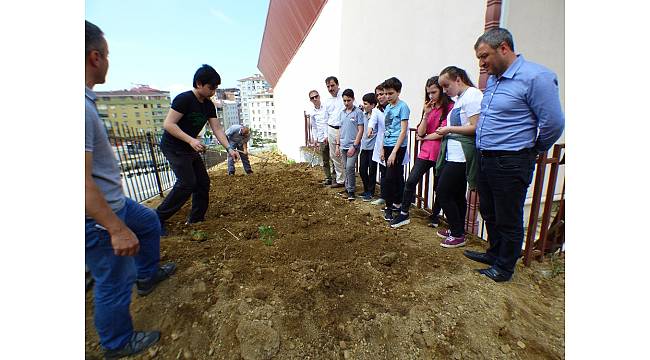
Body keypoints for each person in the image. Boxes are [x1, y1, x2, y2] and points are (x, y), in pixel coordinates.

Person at [85, 20, 176, 359]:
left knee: (150, 223)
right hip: (97, 216)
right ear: (96, 57)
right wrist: (114, 227)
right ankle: (117, 343)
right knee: (113, 282)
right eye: (107, 55)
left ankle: (148, 275)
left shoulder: (85, 102)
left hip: (114, 202)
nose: (109, 61)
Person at [466, 28, 565, 282]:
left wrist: (532, 149)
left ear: (504, 48)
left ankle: (504, 268)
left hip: (511, 161)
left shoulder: (536, 77)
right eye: (479, 58)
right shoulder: (494, 80)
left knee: (508, 216)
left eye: (484, 56)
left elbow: (553, 122)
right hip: (486, 158)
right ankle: (494, 253)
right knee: (489, 211)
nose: (482, 63)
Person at [155, 65, 239, 230]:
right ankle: (157, 218)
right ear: (199, 83)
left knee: (202, 182)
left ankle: (196, 219)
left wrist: (229, 148)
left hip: (189, 147)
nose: (213, 91)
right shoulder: (184, 99)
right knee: (187, 182)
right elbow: (168, 124)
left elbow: (217, 129)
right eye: (211, 87)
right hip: (174, 146)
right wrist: (191, 141)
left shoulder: (208, 105)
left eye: (216, 88)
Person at [390, 76, 454, 228]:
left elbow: (442, 132)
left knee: (439, 187)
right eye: (429, 93)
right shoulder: (428, 107)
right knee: (411, 181)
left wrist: (423, 137)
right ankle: (404, 214)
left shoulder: (450, 107)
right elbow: (420, 130)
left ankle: (435, 216)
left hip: (441, 153)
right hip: (425, 152)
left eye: (434, 92)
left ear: (442, 91)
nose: (431, 96)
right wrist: (425, 115)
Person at [434, 66, 483, 248]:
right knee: (455, 194)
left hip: (462, 155)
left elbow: (475, 127)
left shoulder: (472, 95)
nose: (445, 91)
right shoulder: (461, 98)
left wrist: (449, 129)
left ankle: (457, 234)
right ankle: (458, 228)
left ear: (458, 79)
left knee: (443, 192)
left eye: (447, 86)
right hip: (453, 152)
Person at [379, 77, 410, 222]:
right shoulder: (388, 107)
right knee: (395, 176)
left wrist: (394, 152)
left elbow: (403, 131)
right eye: (385, 93)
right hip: (387, 144)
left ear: (398, 92)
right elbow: (386, 129)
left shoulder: (403, 107)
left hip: (397, 146)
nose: (387, 96)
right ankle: (398, 203)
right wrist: (382, 148)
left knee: (390, 178)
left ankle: (389, 207)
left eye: (390, 93)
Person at [335, 89, 365, 201]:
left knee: (350, 167)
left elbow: (360, 130)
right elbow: (339, 129)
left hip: (353, 145)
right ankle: (347, 188)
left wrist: (354, 146)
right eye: (344, 101)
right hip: (343, 144)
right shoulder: (342, 113)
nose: (346, 103)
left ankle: (351, 190)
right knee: (345, 168)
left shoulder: (358, 112)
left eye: (349, 100)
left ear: (353, 99)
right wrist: (338, 145)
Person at [323, 76, 346, 188]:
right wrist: (325, 135)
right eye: (328, 86)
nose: (330, 88)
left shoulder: (345, 96)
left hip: (343, 129)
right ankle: (341, 180)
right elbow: (325, 118)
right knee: (334, 155)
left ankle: (347, 180)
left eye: (332, 85)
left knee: (344, 154)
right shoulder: (327, 101)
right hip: (331, 128)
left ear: (337, 84)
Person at [307, 90, 332, 185]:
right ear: (310, 100)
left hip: (330, 135)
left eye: (316, 96)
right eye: (312, 98)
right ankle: (328, 178)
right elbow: (314, 126)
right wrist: (315, 139)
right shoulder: (312, 112)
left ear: (319, 96)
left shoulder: (326, 107)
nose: (315, 99)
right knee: (325, 159)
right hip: (321, 138)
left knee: (334, 158)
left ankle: (336, 178)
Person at [369, 85, 387, 206]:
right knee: (384, 172)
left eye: (382, 94)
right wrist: (370, 129)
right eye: (378, 95)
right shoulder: (376, 110)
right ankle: (384, 197)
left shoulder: (395, 108)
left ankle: (396, 199)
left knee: (395, 174)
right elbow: (372, 121)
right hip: (381, 144)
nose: (380, 97)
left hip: (393, 144)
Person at [359, 93, 379, 201]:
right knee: (362, 169)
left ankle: (371, 192)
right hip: (364, 146)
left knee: (372, 170)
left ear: (373, 105)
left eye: (366, 104)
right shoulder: (364, 114)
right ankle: (366, 189)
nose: (364, 105)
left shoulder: (376, 116)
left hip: (373, 148)